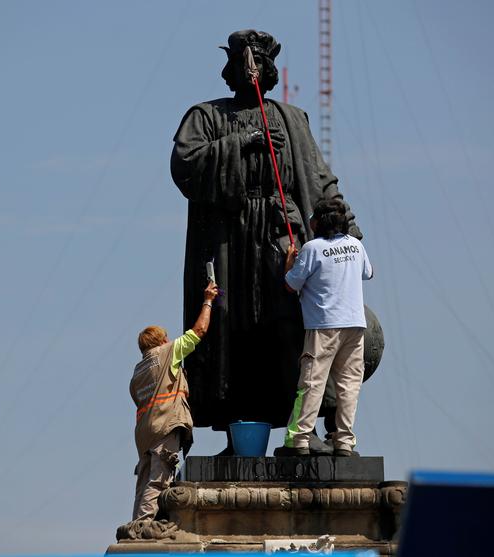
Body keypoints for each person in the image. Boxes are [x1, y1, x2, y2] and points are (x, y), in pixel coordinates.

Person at [170, 29, 363, 447]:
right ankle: (238, 434)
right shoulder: (205, 116)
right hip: (228, 240)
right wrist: (243, 142)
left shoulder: (292, 119)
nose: (250, 69)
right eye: (243, 62)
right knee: (232, 328)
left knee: (292, 326)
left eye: (257, 62)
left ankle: (307, 429)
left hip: (281, 238)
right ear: (231, 69)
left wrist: (345, 229)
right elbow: (185, 165)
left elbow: (318, 178)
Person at [279, 199, 374, 456]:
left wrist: (290, 262)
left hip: (324, 326)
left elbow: (291, 285)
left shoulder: (312, 248)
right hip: (355, 325)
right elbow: (368, 272)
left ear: (319, 222)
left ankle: (298, 440)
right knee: (349, 384)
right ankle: (344, 441)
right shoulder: (356, 246)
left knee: (312, 382)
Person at [129, 281, 219, 521]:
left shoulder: (138, 371)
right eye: (166, 337)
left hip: (144, 433)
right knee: (158, 481)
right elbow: (198, 331)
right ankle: (143, 527)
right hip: (165, 425)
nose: (169, 339)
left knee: (145, 482)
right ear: (160, 341)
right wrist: (208, 300)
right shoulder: (167, 352)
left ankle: (135, 524)